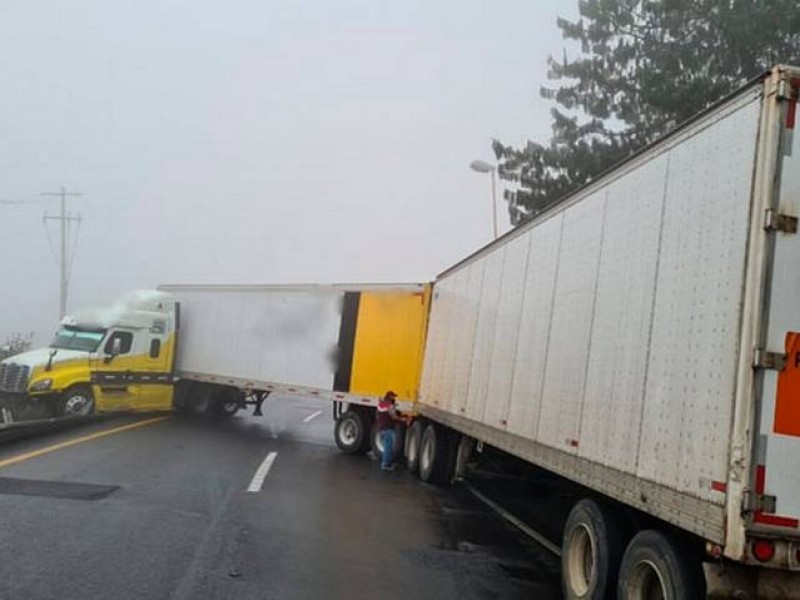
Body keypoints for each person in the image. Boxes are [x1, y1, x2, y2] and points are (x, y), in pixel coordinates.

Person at [376, 390, 402, 471]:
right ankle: (386, 464)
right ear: (390, 397)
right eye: (393, 397)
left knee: (387, 446)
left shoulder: (380, 404)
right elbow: (394, 416)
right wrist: (403, 419)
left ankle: (386, 463)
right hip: (388, 429)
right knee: (388, 448)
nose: (395, 398)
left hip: (381, 428)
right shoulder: (389, 406)